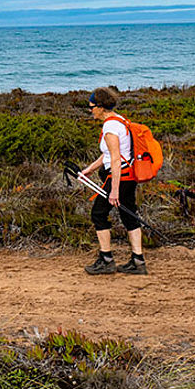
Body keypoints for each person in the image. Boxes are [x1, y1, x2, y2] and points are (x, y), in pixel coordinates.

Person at [79, 87, 147, 275]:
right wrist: (89, 170)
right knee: (129, 215)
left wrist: (114, 190)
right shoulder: (120, 120)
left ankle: (106, 259)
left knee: (99, 214)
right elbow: (108, 154)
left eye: (92, 107)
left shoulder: (110, 127)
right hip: (128, 175)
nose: (90, 110)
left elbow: (116, 159)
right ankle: (138, 261)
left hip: (119, 177)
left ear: (100, 107)